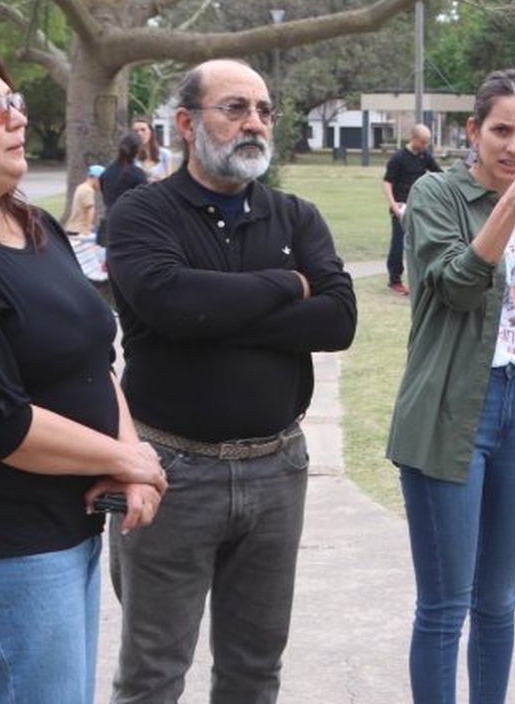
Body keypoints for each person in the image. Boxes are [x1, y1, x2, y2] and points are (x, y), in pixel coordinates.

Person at [104, 59, 357, 703]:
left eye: (264, 111)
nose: (255, 124)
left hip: (277, 471)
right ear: (187, 124)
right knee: (153, 673)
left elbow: (338, 319)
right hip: (170, 474)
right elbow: (168, 304)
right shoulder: (142, 214)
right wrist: (284, 286)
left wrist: (214, 316)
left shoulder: (295, 216)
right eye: (235, 108)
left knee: (254, 670)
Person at [0, 44, 166, 704]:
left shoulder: (34, 227)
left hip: (70, 534)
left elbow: (94, 357)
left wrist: (125, 459)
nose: (18, 118)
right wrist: (128, 458)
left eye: (16, 103)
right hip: (6, 553)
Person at [385, 69, 515, 703]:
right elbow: (458, 284)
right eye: (501, 130)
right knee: (446, 603)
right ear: (472, 131)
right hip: (450, 408)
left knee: (499, 599)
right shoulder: (438, 194)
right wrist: (509, 207)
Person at [383, 123, 442, 296]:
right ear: (414, 139)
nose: (425, 146)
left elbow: (438, 172)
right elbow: (387, 182)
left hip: (419, 206)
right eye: (423, 142)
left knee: (422, 244)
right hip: (400, 207)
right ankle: (394, 280)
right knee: (399, 244)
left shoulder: (424, 156)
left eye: (427, 142)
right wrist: (393, 204)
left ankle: (422, 279)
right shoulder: (398, 158)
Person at [97, 131, 147, 245]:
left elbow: (105, 195)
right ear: (138, 150)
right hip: (131, 227)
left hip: (110, 223)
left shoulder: (107, 172)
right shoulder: (137, 174)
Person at [65, 163, 105, 237]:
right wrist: (87, 229)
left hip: (72, 227)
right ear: (96, 178)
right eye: (102, 181)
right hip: (79, 230)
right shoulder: (88, 190)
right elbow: (90, 210)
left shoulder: (81, 187)